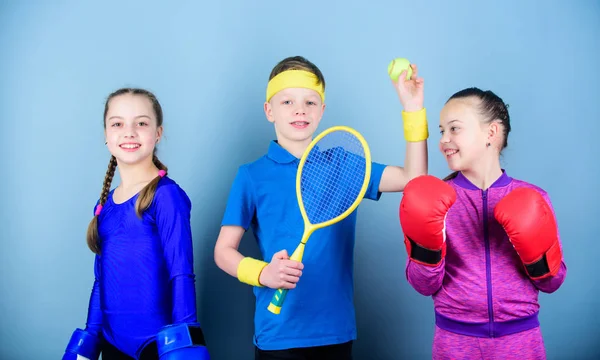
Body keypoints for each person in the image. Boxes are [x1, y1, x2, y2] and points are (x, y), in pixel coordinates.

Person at [214, 55, 429, 359]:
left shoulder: (343, 164)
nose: (300, 109)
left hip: (335, 331)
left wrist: (412, 108)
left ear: (322, 111)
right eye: (287, 102)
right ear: (269, 111)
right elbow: (223, 252)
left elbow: (414, 179)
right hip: (278, 334)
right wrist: (264, 273)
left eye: (310, 102)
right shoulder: (251, 175)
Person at [399, 87, 567, 359]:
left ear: (491, 133)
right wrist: (425, 251)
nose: (443, 139)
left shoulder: (533, 198)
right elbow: (423, 285)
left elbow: (552, 283)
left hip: (521, 341)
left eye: (454, 129)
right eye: (441, 131)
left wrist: (538, 256)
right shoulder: (434, 198)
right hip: (455, 341)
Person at [62, 88, 209, 360]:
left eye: (141, 123)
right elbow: (100, 281)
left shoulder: (166, 195)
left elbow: (181, 273)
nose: (129, 132)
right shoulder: (104, 203)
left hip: (158, 345)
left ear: (158, 133)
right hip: (113, 343)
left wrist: (184, 339)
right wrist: (91, 335)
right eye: (117, 124)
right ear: (106, 135)